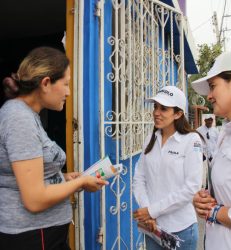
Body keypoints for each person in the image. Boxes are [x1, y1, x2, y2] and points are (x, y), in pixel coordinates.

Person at [0, 47, 108, 250]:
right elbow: (34, 199)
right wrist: (81, 183)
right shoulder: (19, 119)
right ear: (46, 83)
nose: (69, 92)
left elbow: (27, 176)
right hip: (33, 235)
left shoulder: (27, 115)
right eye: (66, 84)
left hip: (41, 233)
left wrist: (63, 178)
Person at [192, 50, 231, 250]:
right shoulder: (227, 131)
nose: (209, 96)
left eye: (212, 86)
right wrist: (206, 198)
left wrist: (214, 211)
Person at [133, 85, 203, 250]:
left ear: (178, 114)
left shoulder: (191, 140)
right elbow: (139, 178)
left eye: (163, 108)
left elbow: (191, 188)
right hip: (152, 229)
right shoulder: (151, 137)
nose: (156, 112)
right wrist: (147, 212)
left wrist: (152, 211)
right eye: (155, 107)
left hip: (182, 230)